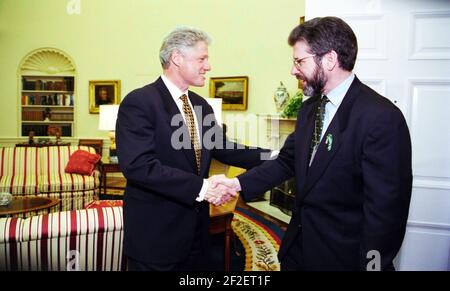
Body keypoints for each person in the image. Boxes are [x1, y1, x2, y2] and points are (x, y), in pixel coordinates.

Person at [211, 16, 412, 271]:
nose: (293, 70)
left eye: (299, 61)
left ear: (329, 59)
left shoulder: (381, 118)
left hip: (344, 258)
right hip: (298, 249)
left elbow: (386, 215)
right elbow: (286, 162)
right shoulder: (309, 110)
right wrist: (236, 183)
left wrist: (372, 266)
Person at [115, 26, 270, 271]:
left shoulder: (201, 106)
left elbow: (223, 148)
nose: (208, 66)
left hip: (196, 230)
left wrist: (273, 156)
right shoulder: (140, 102)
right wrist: (203, 187)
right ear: (177, 58)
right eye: (202, 58)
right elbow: (139, 166)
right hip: (155, 234)